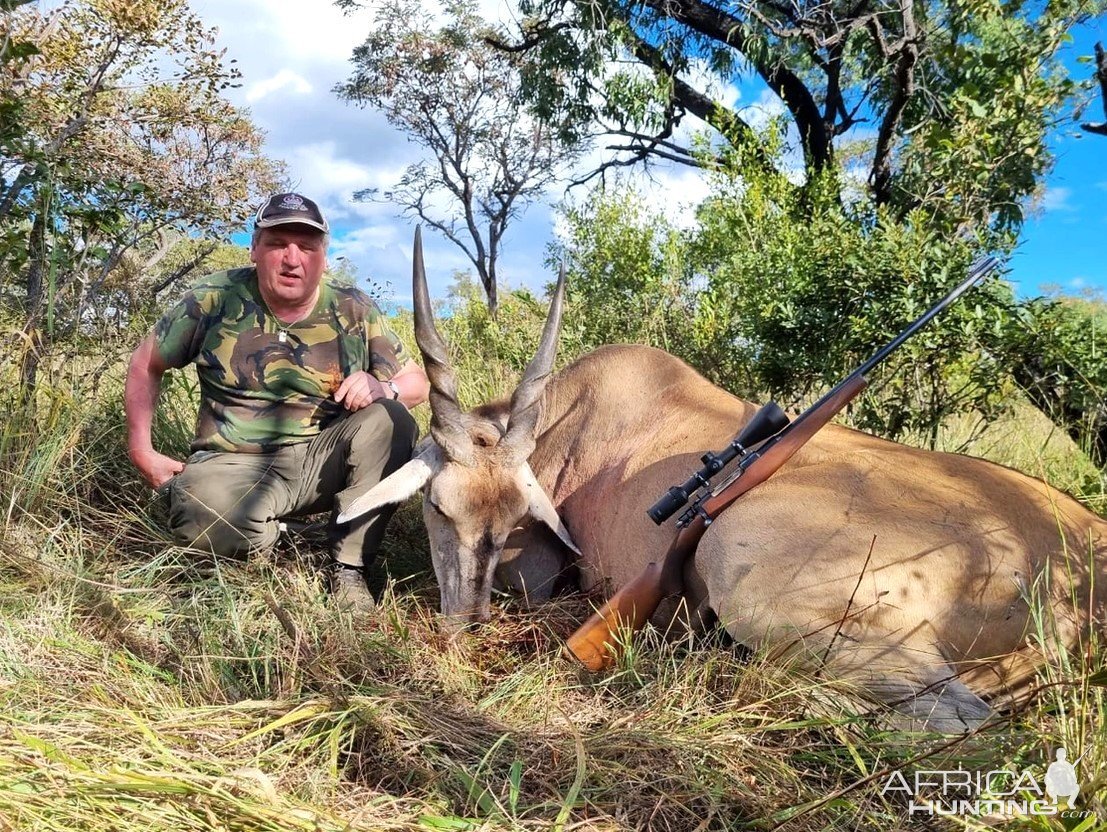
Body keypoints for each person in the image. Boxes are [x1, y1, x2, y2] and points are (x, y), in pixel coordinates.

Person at [125, 192, 428, 610]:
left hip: (322, 458)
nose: (292, 258)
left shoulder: (354, 308)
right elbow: (146, 364)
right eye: (277, 244)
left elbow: (417, 382)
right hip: (231, 460)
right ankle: (291, 539)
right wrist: (142, 450)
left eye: (306, 247)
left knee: (392, 418)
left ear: (323, 255)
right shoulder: (214, 298)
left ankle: (349, 567)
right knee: (206, 528)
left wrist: (385, 389)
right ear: (254, 249)